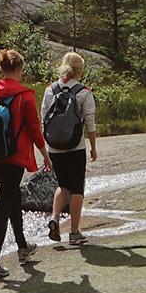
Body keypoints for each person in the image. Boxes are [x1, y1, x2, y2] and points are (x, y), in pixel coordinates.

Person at [0, 49, 51, 281]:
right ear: (19, 69)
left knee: (13, 195)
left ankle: (23, 247)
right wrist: (45, 154)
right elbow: (34, 130)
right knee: (3, 207)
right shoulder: (25, 95)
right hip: (14, 158)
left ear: (1, 68)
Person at [44, 52, 97, 247]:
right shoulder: (84, 92)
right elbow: (90, 121)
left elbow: (44, 118)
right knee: (77, 188)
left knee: (62, 185)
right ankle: (74, 233)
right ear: (80, 71)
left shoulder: (50, 90)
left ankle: (55, 217)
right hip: (75, 146)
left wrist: (47, 146)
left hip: (54, 147)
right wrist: (93, 147)